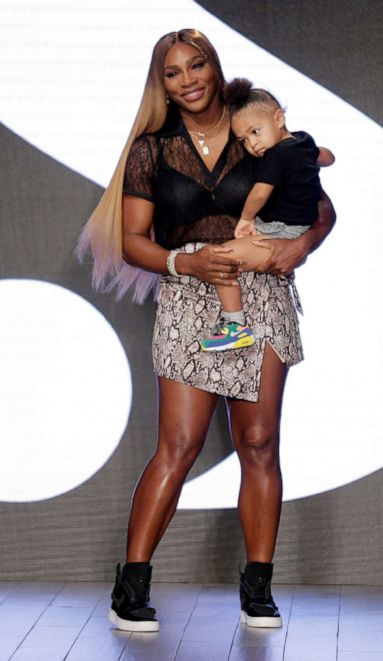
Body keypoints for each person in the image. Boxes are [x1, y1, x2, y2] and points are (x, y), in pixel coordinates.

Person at [75, 28, 336, 633]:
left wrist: (299, 246)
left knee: (259, 441)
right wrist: (183, 262)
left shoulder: (258, 130)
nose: (187, 79)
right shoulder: (152, 149)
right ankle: (132, 585)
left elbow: (320, 209)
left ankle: (258, 589)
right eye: (173, 72)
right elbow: (134, 240)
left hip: (261, 291)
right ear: (160, 83)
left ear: (215, 69)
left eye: (197, 66)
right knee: (180, 445)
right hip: (191, 293)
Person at [198, 78, 335, 352]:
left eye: (255, 132)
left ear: (279, 118)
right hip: (284, 227)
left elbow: (260, 194)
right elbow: (327, 156)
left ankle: (234, 326)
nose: (253, 144)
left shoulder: (276, 156)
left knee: (220, 259)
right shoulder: (302, 140)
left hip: (280, 233)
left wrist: (246, 221)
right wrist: (315, 160)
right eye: (244, 140)